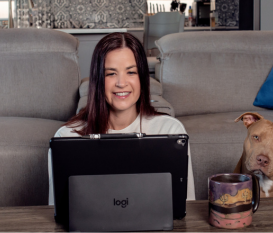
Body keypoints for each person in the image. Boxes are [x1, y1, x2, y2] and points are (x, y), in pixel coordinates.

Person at [48, 32, 195, 205]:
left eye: (131, 72)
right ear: (98, 80)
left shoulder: (171, 132)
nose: (121, 83)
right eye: (111, 74)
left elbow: (187, 206)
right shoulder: (66, 138)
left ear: (142, 78)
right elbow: (56, 212)